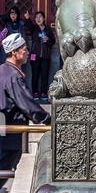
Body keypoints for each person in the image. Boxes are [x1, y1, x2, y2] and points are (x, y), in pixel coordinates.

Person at [0, 33, 51, 171]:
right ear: (14, 52)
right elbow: (28, 105)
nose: (27, 52)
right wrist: (48, 120)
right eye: (24, 49)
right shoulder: (13, 76)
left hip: (4, 128)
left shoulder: (3, 71)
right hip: (9, 134)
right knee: (4, 169)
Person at [24, 11, 55, 100]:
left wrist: (48, 39)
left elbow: (52, 41)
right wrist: (27, 19)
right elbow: (28, 27)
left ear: (44, 18)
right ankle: (35, 92)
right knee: (35, 74)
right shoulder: (34, 28)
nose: (38, 19)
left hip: (45, 56)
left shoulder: (48, 30)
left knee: (45, 75)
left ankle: (44, 92)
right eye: (36, 17)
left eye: (40, 17)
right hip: (35, 55)